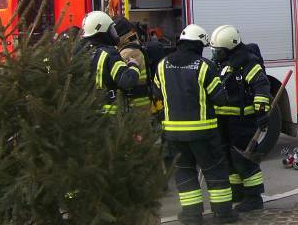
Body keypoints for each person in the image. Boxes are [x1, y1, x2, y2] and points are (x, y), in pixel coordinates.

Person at [153, 24, 237, 225]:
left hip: (173, 133)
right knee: (215, 171)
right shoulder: (204, 66)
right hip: (203, 132)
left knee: (184, 171)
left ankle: (191, 215)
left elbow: (156, 93)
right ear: (199, 44)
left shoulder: (162, 65)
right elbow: (220, 99)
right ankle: (223, 214)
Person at [210, 25, 271, 212]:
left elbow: (261, 86)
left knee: (244, 159)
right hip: (223, 121)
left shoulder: (248, 64)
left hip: (242, 122)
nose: (215, 54)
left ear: (230, 47)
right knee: (228, 158)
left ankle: (254, 197)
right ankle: (237, 192)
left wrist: (261, 112)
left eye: (218, 51)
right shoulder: (222, 64)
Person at [80, 11, 140, 115]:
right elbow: (127, 81)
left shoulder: (79, 53)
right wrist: (133, 65)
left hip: (86, 115)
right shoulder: (109, 54)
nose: (114, 34)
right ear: (102, 32)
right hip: (110, 117)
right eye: (111, 29)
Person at [113, 17, 152, 113]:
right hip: (138, 106)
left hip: (135, 108)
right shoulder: (131, 46)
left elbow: (124, 81)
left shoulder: (128, 53)